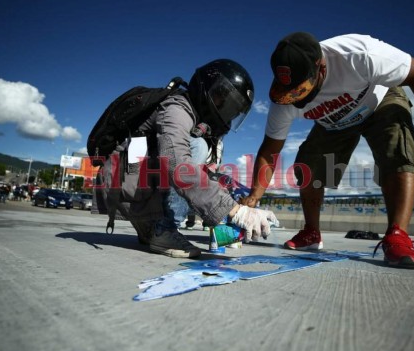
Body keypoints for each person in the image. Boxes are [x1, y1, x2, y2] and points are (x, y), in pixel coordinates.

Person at [241, 32, 414, 269]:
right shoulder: (285, 99)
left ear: (321, 67)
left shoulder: (360, 55)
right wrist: (255, 196)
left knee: (397, 143)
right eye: (290, 93)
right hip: (332, 121)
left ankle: (398, 235)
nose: (297, 100)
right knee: (309, 164)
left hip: (378, 100)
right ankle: (311, 232)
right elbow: (269, 150)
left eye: (304, 91)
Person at [94, 59, 279, 258]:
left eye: (232, 109)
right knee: (195, 147)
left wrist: (226, 216)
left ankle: (152, 228)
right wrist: (237, 211)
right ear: (206, 88)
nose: (225, 112)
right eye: (222, 100)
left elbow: (206, 180)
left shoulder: (202, 128)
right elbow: (177, 164)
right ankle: (163, 229)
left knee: (203, 160)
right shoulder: (177, 109)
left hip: (136, 182)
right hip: (121, 179)